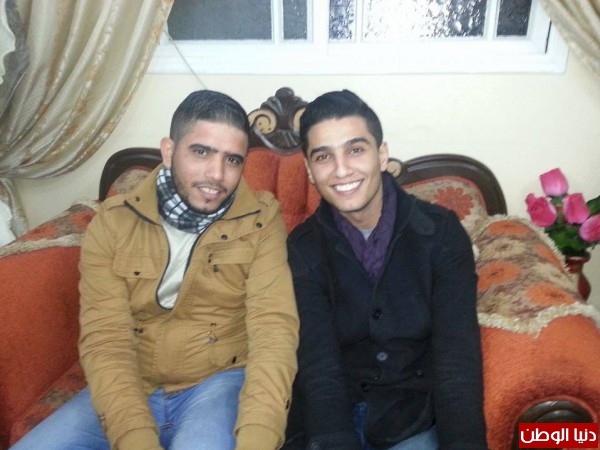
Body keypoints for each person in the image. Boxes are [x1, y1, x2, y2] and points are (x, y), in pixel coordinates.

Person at [11, 90, 299, 450]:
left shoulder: (260, 220)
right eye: (201, 152)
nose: (217, 174)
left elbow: (274, 331)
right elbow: (106, 339)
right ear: (168, 150)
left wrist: (259, 437)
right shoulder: (114, 223)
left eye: (232, 159)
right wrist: (135, 437)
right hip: (131, 382)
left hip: (217, 381)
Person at [283, 90, 488, 450]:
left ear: (381, 155)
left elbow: (457, 362)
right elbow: (318, 367)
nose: (342, 169)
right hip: (332, 419)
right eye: (324, 156)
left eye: (355, 150)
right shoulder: (302, 247)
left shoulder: (440, 234)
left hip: (410, 421)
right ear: (310, 171)